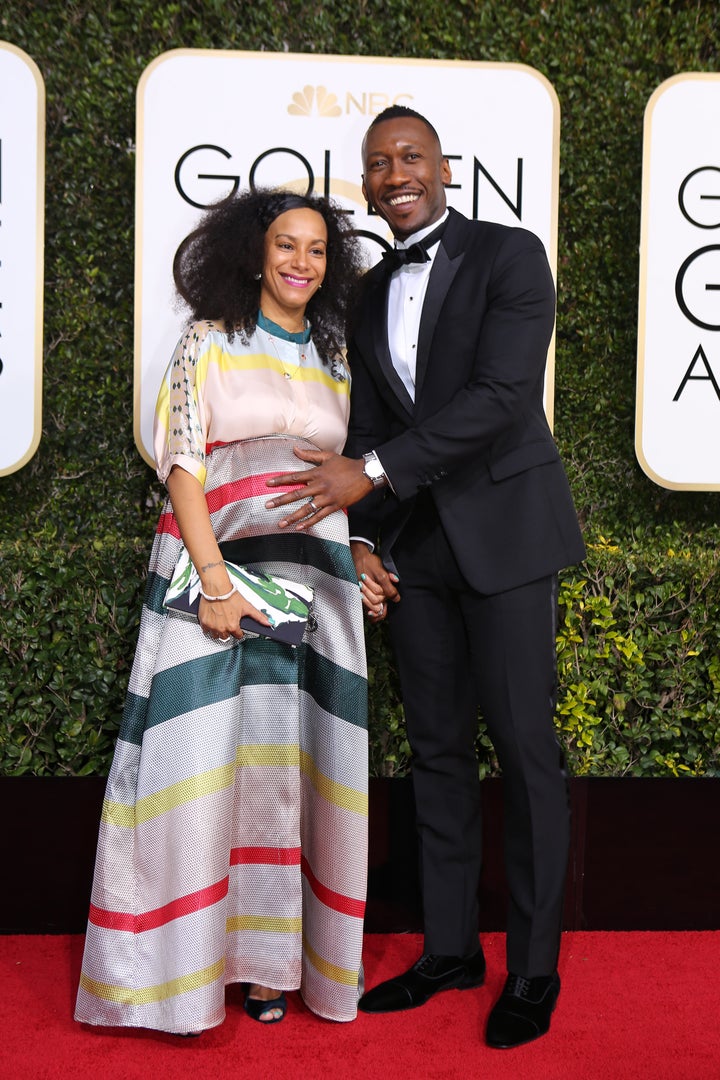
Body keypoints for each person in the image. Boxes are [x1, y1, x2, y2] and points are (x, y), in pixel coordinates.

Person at [264, 106, 586, 1049]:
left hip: (509, 541)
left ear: (445, 166)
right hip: (414, 549)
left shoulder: (511, 255)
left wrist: (368, 475)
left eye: (410, 157)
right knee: (437, 751)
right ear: (363, 183)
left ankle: (533, 968)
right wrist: (364, 537)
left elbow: (501, 397)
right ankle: (451, 948)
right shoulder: (363, 294)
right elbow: (361, 426)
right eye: (376, 164)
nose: (394, 173)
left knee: (526, 755)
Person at [75, 190, 373, 1035]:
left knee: (290, 770)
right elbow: (183, 461)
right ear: (254, 252)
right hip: (215, 571)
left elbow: (341, 477)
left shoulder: (337, 354)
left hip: (315, 591)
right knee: (197, 763)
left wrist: (357, 550)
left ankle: (276, 965)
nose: (301, 263)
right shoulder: (206, 342)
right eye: (287, 244)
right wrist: (211, 580)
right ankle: (182, 973)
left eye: (317, 249)